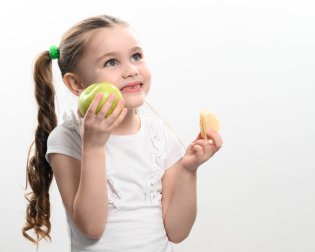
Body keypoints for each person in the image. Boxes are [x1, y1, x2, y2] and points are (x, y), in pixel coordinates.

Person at [22, 15, 223, 251]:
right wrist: (94, 146)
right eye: (111, 62)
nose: (131, 70)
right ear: (77, 84)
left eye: (136, 56)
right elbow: (91, 227)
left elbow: (177, 232)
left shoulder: (160, 137)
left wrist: (188, 170)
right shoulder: (67, 139)